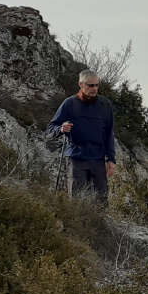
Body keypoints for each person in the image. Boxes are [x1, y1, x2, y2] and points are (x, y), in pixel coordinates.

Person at [48, 70, 116, 201]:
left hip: (98, 157)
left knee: (101, 200)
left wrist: (111, 159)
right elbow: (51, 128)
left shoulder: (105, 105)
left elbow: (109, 133)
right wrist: (61, 129)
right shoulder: (69, 103)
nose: (94, 88)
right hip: (76, 157)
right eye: (91, 85)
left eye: (97, 85)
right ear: (81, 84)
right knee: (77, 200)